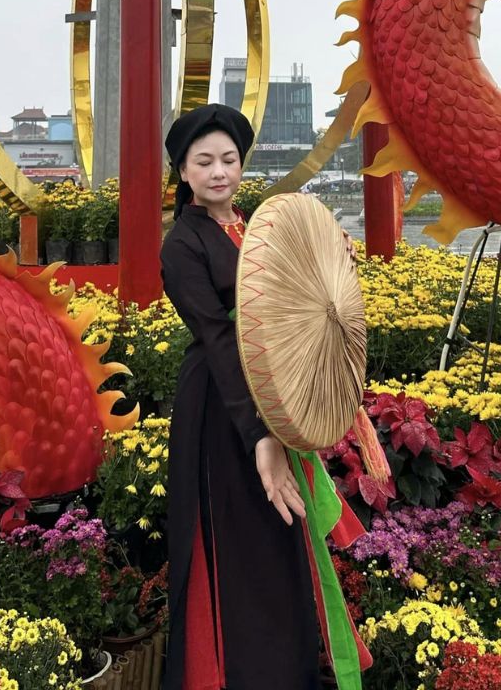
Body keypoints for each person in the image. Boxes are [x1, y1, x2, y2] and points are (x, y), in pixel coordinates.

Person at [159, 104, 366, 690]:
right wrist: (261, 437)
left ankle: (290, 670)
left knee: (279, 542)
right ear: (184, 173)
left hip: (272, 393)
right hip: (225, 411)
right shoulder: (183, 246)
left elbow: (301, 295)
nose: (219, 172)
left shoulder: (253, 228)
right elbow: (222, 341)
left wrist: (334, 263)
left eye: (229, 159)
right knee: (239, 548)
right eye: (204, 162)